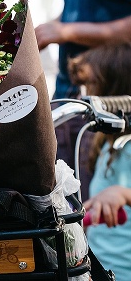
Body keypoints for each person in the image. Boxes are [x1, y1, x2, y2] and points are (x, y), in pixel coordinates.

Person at [34, 0, 131, 197]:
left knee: (93, 213)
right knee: (59, 211)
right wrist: (45, 30)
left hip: (108, 105)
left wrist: (65, 32)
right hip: (66, 97)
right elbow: (75, 13)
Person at [68, 43, 131, 280]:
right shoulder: (108, 144)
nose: (82, 96)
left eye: (91, 85)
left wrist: (124, 194)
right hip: (98, 270)